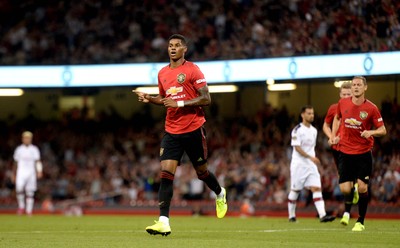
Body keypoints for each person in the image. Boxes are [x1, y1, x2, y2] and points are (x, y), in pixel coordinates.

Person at [134, 34, 227, 236]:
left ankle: (220, 193)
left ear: (185, 49)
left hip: (194, 128)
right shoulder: (162, 73)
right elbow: (165, 98)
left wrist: (181, 103)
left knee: (202, 173)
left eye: (177, 45)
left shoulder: (193, 70)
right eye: (170, 45)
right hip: (172, 131)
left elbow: (206, 98)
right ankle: (163, 221)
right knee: (166, 175)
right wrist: (150, 98)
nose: (172, 48)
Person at [330, 76, 386, 232]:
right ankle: (352, 191)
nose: (355, 87)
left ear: (365, 88)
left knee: (362, 188)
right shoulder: (342, 103)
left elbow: (383, 130)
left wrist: (371, 132)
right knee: (345, 189)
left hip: (363, 153)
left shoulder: (372, 108)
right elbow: (337, 118)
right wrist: (334, 135)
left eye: (359, 85)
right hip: (345, 152)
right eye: (354, 85)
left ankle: (360, 221)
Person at [288, 105, 335, 223]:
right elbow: (297, 148)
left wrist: (312, 159)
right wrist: (310, 157)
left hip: (311, 165)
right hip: (298, 164)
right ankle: (291, 215)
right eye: (309, 113)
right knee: (296, 190)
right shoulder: (297, 130)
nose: (311, 115)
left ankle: (323, 215)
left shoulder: (314, 131)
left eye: (312, 113)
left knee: (316, 188)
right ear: (302, 115)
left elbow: (311, 148)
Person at [322, 81, 353, 225]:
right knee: (344, 186)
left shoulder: (357, 109)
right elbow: (326, 125)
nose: (346, 96)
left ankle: (347, 212)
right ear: (340, 95)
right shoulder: (334, 108)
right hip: (337, 149)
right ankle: (353, 192)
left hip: (352, 148)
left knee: (351, 180)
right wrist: (331, 137)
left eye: (349, 94)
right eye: (344, 94)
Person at [13, 131, 43, 216]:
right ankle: (21, 206)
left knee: (30, 191)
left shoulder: (34, 149)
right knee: (19, 188)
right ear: (22, 139)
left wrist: (39, 170)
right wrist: (14, 174)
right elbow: (15, 162)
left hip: (31, 172)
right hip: (21, 172)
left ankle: (29, 210)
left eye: (28, 138)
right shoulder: (19, 149)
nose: (27, 139)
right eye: (25, 138)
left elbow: (38, 161)